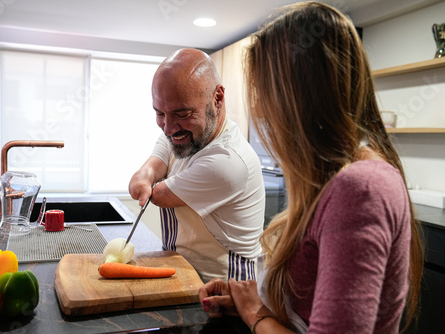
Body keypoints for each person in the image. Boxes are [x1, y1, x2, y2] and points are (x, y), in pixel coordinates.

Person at [198, 2, 424, 333]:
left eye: (265, 93)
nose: (260, 109)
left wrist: (256, 314)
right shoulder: (335, 178)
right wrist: (255, 302)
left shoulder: (360, 189)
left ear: (297, 98)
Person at [128, 48, 266, 283]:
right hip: (183, 276)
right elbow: (156, 160)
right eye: (160, 113)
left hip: (225, 290)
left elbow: (159, 194)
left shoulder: (227, 161)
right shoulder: (184, 133)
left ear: (218, 99)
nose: (169, 127)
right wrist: (144, 175)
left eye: (182, 113)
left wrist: (148, 180)